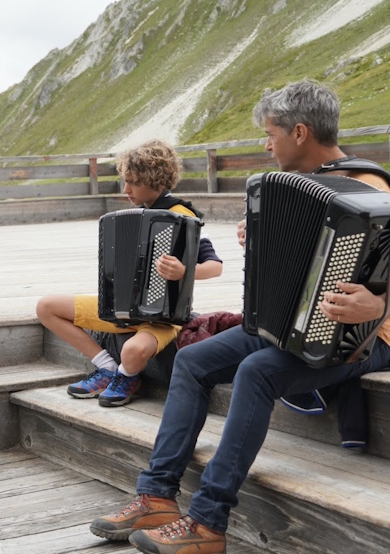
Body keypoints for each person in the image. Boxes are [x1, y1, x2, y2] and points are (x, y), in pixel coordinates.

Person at [88, 79, 390, 554]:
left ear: (299, 133)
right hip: (293, 326)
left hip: (368, 337)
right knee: (192, 361)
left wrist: (380, 305)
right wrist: (263, 239)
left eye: (270, 134)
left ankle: (208, 522)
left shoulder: (370, 188)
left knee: (256, 371)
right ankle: (157, 496)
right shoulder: (294, 188)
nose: (267, 146)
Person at [36, 140, 223, 407]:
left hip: (163, 318)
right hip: (122, 309)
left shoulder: (182, 216)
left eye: (133, 182)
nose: (126, 190)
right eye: (125, 181)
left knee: (132, 350)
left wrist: (184, 271)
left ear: (155, 179)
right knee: (47, 308)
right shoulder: (134, 216)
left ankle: (127, 377)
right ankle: (107, 368)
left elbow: (215, 267)